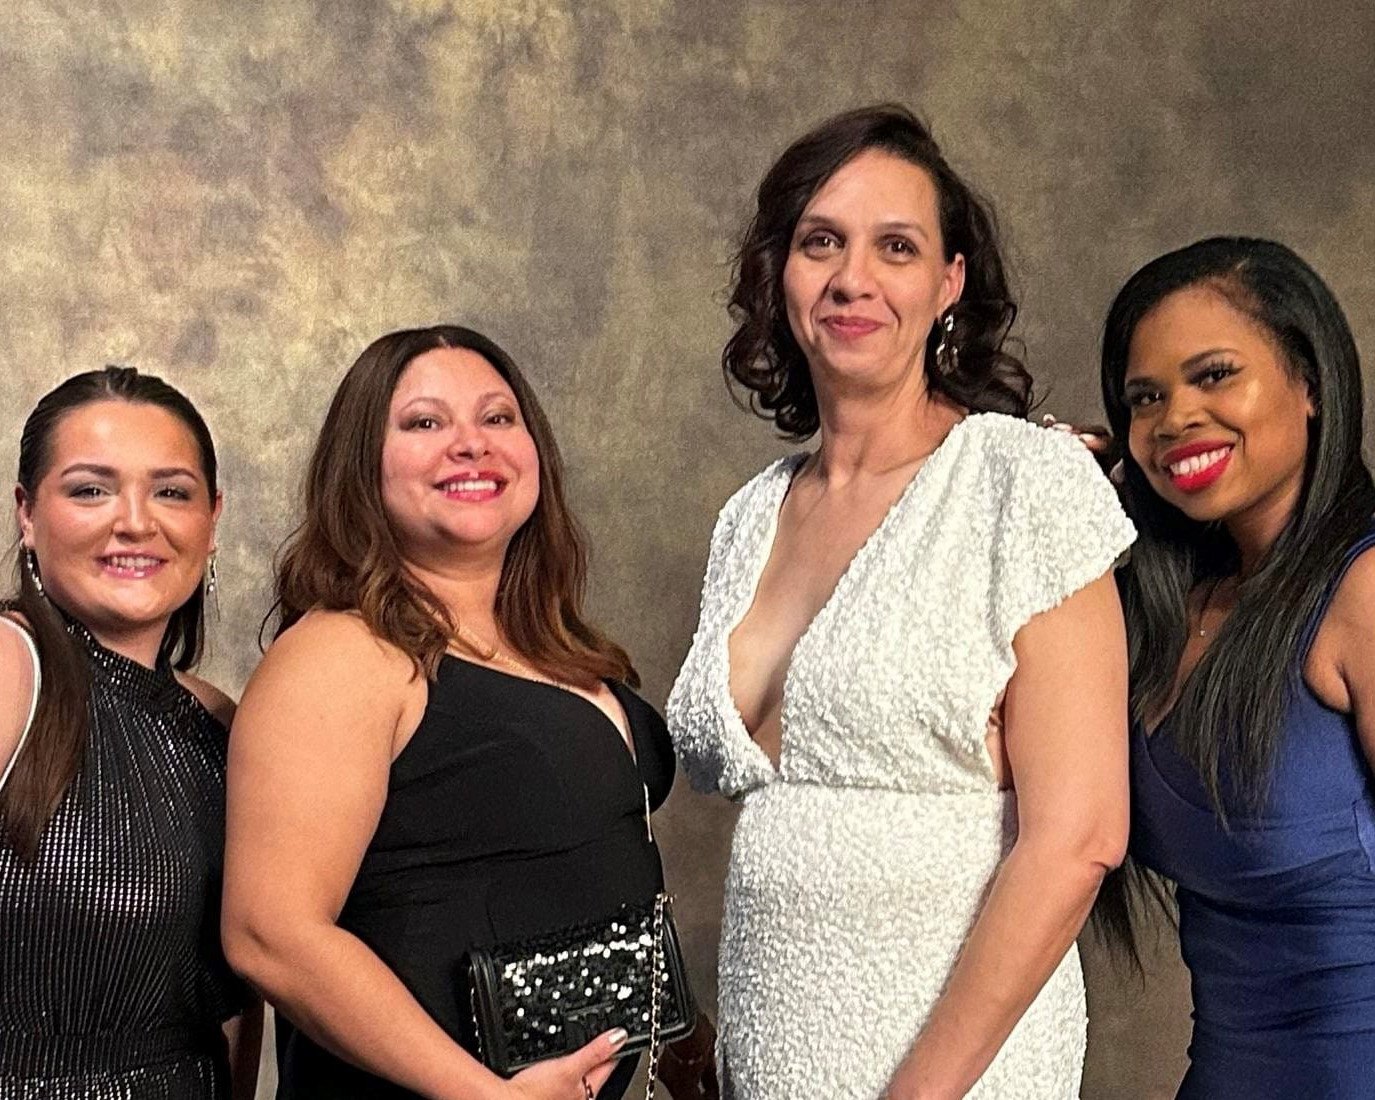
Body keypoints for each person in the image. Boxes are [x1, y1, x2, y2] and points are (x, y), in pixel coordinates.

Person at [667, 103, 1135, 1099]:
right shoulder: (752, 513)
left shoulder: (1024, 482)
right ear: (778, 274)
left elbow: (1079, 834)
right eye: (820, 241)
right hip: (774, 1042)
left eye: (896, 246)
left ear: (949, 281)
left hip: (953, 1064)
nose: (852, 278)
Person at [221, 325, 715, 1100]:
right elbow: (270, 935)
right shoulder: (341, 652)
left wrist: (685, 1039)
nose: (470, 445)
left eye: (496, 418)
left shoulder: (556, 644)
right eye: (424, 423)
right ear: (363, 466)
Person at [1095, 237, 1375, 1099]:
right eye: (1146, 397)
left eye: (1214, 375)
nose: (1174, 417)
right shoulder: (1165, 608)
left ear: (1312, 384)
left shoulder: (1362, 589)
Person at [0, 366, 260, 1099]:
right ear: (27, 513)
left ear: (211, 520)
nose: (136, 522)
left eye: (171, 491)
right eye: (90, 489)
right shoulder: (11, 667)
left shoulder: (221, 726)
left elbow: (239, 996)